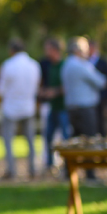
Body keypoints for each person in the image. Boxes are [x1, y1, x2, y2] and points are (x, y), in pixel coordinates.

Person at [62, 37, 107, 181]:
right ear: (78, 50)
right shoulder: (81, 65)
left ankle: (68, 172)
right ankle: (90, 175)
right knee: (89, 141)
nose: (87, 52)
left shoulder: (66, 65)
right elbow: (101, 81)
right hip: (85, 108)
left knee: (74, 141)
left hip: (72, 107)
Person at [0, 39, 41, 179]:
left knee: (8, 141)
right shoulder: (34, 65)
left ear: (12, 50)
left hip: (11, 108)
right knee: (30, 140)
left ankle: (11, 170)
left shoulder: (8, 65)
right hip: (28, 107)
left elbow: (0, 90)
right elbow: (36, 86)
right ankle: (32, 169)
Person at [39, 37, 71, 173]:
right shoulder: (49, 66)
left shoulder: (65, 65)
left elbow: (68, 86)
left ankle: (67, 165)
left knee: (65, 137)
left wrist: (55, 92)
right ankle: (50, 164)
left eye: (47, 48)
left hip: (64, 107)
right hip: (53, 107)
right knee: (48, 136)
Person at [88, 39, 107, 136]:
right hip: (90, 101)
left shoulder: (104, 63)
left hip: (102, 100)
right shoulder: (85, 62)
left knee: (102, 125)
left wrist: (106, 99)